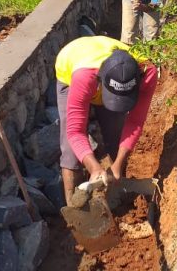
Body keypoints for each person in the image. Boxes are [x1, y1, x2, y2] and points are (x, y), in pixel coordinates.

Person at [55, 36, 158, 205]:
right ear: (100, 82)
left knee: (116, 133)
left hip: (103, 67)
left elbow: (135, 122)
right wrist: (94, 168)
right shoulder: (84, 78)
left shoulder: (147, 72)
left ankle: (115, 194)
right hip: (72, 68)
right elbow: (75, 131)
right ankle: (75, 211)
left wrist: (117, 164)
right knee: (70, 151)